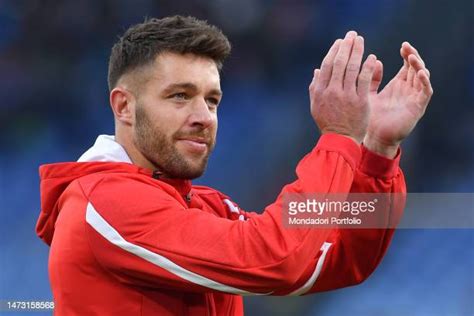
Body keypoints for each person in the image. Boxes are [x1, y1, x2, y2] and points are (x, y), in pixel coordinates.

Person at [36, 15, 432, 315]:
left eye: (212, 100)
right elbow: (277, 259)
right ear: (124, 106)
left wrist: (376, 152)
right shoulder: (108, 203)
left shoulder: (200, 206)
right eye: (179, 96)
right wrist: (338, 137)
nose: (203, 116)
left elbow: (337, 261)